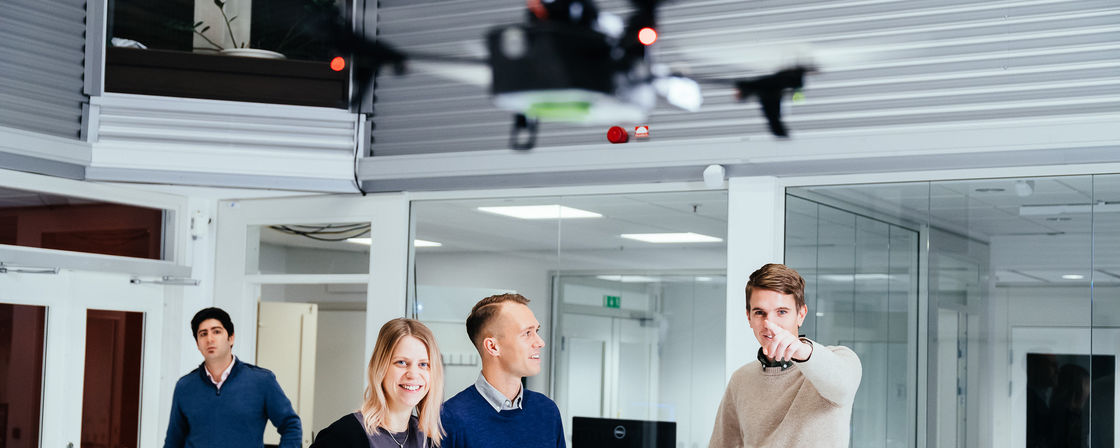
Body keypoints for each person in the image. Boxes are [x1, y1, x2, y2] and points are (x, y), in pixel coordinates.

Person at [709, 263, 862, 448]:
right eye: (760, 313)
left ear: (801, 314)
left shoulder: (841, 360)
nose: (769, 323)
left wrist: (801, 352)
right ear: (749, 317)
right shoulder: (741, 379)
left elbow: (842, 387)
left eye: (782, 312)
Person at [164, 307, 302, 448]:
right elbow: (173, 441)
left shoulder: (262, 381)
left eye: (216, 331)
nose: (209, 339)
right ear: (198, 344)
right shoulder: (185, 386)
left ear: (231, 338)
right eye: (203, 334)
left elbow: (291, 426)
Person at [440, 293, 565, 448]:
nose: (540, 342)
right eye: (527, 333)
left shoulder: (547, 411)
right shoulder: (448, 419)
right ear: (493, 347)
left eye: (536, 331)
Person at [311, 318, 445, 447]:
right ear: (380, 367)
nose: (413, 374)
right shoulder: (344, 435)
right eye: (401, 362)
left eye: (423, 364)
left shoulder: (427, 440)